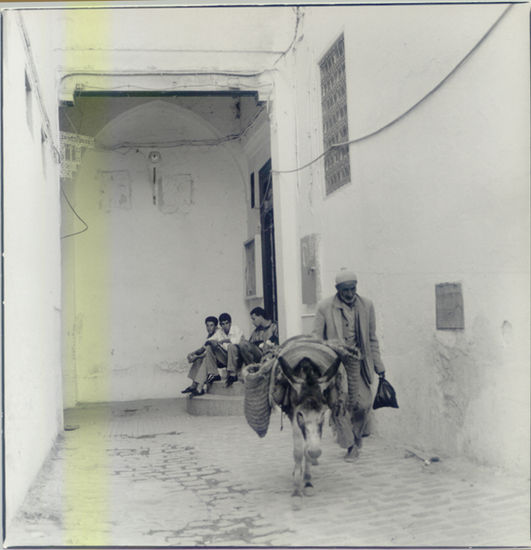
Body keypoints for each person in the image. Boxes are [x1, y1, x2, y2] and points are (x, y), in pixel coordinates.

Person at [313, 269, 386, 461]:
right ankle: (351, 446)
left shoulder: (367, 306)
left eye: (352, 289)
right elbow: (316, 340)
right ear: (337, 289)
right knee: (340, 404)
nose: (349, 293)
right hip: (335, 365)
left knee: (363, 404)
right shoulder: (324, 307)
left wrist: (379, 365)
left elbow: (371, 338)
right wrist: (333, 347)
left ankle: (353, 436)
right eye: (345, 290)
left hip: (360, 364)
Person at [226, 307, 279, 387]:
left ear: (260, 316)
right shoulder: (256, 331)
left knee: (243, 344)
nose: (252, 322)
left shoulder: (275, 327)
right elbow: (248, 347)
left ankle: (253, 371)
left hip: (269, 357)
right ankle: (234, 374)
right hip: (258, 358)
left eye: (254, 319)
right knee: (234, 346)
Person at [199, 312, 244, 388]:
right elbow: (209, 340)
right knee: (210, 347)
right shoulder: (220, 332)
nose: (225, 326)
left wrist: (222, 341)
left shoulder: (236, 329)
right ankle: (215, 374)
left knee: (231, 346)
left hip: (237, 359)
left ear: (230, 323)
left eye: (226, 323)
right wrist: (211, 342)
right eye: (222, 324)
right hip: (226, 358)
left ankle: (233, 374)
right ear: (220, 325)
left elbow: (237, 341)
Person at [181, 316, 223, 397]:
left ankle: (199, 387)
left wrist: (197, 356)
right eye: (207, 325)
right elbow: (202, 349)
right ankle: (194, 385)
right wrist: (192, 353)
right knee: (198, 360)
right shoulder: (211, 335)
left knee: (203, 359)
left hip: (222, 359)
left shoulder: (218, 334)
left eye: (211, 325)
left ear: (216, 326)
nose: (209, 328)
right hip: (213, 359)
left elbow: (209, 353)